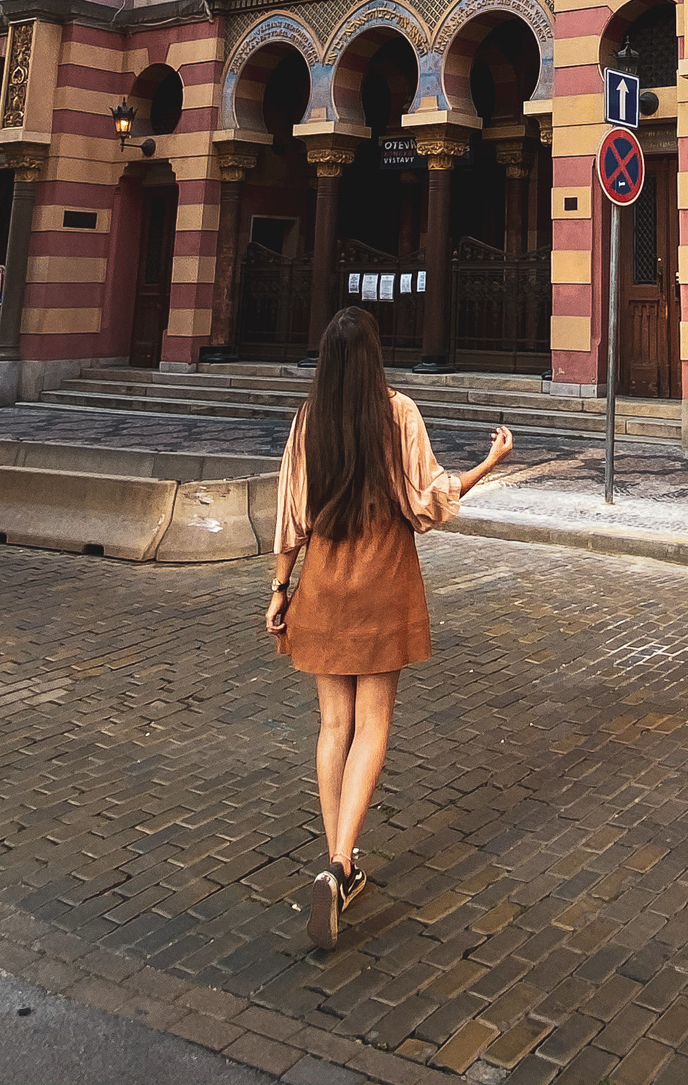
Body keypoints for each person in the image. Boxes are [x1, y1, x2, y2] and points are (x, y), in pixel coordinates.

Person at [265, 306, 513, 949]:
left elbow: (290, 511)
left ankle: (336, 861)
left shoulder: (307, 419)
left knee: (331, 726)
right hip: (382, 580)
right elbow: (427, 499)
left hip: (322, 579)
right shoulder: (397, 412)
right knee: (373, 724)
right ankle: (341, 864)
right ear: (375, 357)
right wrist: (489, 462)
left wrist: (277, 588)